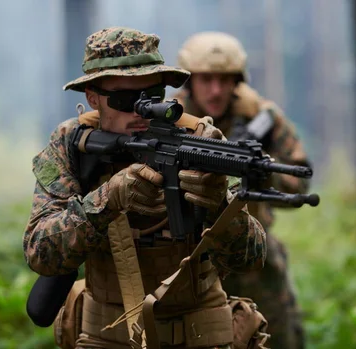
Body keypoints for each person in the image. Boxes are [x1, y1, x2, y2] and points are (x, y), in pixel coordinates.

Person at [23, 27, 268, 349]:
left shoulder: (201, 140)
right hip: (105, 336)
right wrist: (108, 199)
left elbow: (251, 258)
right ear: (93, 98)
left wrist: (219, 206)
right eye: (125, 100)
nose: (141, 110)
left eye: (152, 97)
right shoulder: (71, 142)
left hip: (199, 334)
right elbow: (40, 252)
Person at [174, 31, 312, 349]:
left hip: (252, 253)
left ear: (237, 80)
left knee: (279, 337)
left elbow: (299, 183)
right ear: (190, 80)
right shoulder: (171, 118)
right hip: (188, 255)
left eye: (225, 79)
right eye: (206, 79)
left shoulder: (262, 118)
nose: (216, 89)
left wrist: (261, 174)